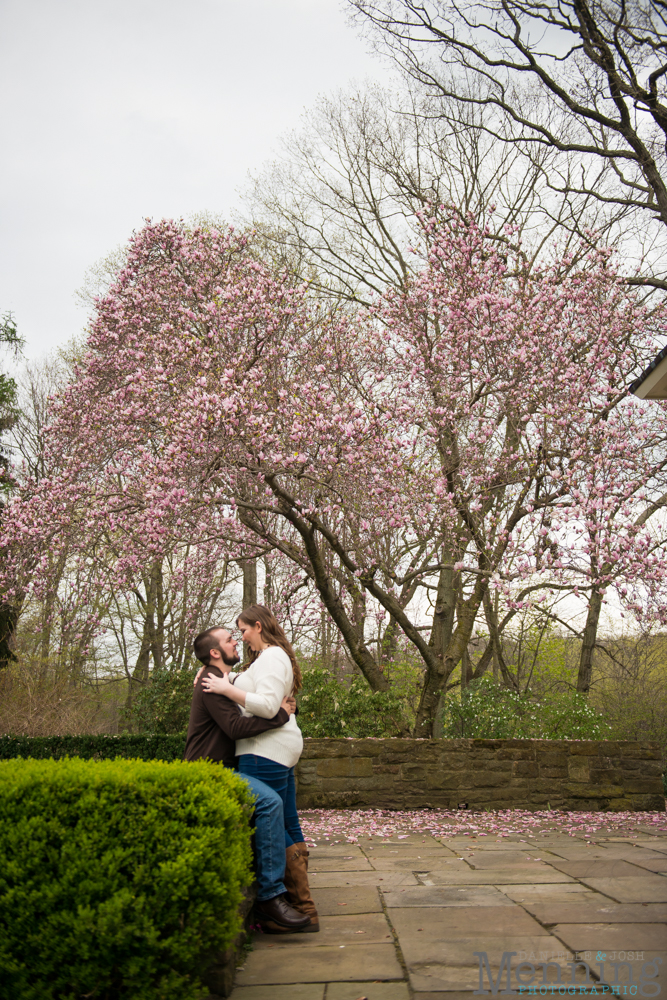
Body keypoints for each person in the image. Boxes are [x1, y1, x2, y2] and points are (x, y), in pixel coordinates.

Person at [184, 625, 311, 934]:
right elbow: (235, 728)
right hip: (211, 770)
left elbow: (249, 699)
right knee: (269, 803)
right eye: (229, 639)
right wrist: (280, 715)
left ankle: (292, 898)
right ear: (215, 652)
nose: (236, 640)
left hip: (226, 767)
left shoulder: (220, 680)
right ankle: (270, 897)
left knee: (276, 804)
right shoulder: (208, 681)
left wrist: (283, 705)